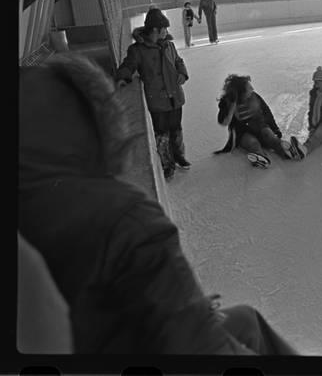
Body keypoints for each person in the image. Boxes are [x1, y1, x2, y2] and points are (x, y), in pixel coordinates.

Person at [19, 53, 296, 354]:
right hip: (147, 345)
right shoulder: (125, 218)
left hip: (119, 336)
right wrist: (192, 312)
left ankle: (280, 148)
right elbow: (203, 348)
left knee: (245, 320)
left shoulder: (30, 203)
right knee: (246, 326)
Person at [116, 6, 190, 179]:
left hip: (175, 96)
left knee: (176, 128)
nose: (167, 31)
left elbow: (178, 61)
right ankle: (167, 164)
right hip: (157, 99)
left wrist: (182, 73)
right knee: (162, 133)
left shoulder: (169, 45)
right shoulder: (138, 50)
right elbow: (128, 65)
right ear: (155, 29)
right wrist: (122, 77)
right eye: (164, 28)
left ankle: (179, 156)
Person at [214, 74, 295, 168]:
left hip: (259, 125)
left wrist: (275, 129)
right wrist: (232, 105)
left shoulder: (254, 96)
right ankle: (261, 158)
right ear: (241, 92)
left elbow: (266, 112)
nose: (252, 89)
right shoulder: (227, 102)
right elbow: (224, 122)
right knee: (253, 143)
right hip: (242, 132)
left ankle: (287, 152)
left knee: (270, 137)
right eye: (249, 88)